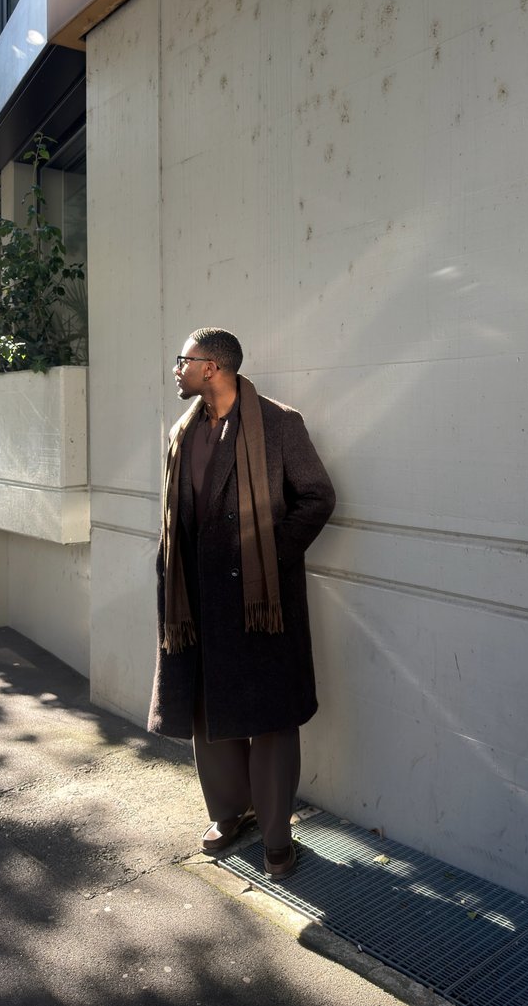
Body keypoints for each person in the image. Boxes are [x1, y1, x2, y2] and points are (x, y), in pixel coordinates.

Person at [148, 327, 335, 879]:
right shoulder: (184, 432)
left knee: (272, 718)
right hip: (198, 600)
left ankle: (277, 834)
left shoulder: (279, 425)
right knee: (209, 711)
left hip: (260, 602)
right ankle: (229, 814)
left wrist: (266, 558)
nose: (176, 369)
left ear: (213, 368)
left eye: (183, 360)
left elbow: (318, 497)